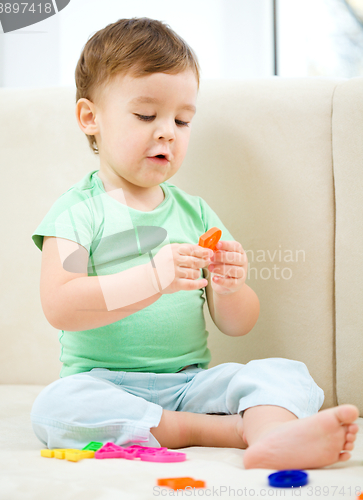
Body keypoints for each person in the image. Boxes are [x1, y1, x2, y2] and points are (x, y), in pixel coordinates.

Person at [30, 17, 359, 470]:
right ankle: (226, 430)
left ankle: (273, 438)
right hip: (103, 384)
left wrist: (229, 289)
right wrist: (152, 279)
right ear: (91, 118)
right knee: (56, 408)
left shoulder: (197, 215)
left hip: (190, 385)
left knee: (285, 372)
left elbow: (237, 324)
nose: (167, 130)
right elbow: (60, 304)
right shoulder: (76, 214)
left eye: (182, 120)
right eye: (146, 115)